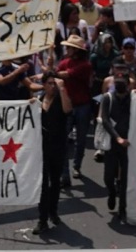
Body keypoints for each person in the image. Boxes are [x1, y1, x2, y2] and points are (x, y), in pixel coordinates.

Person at [34, 73, 72, 234]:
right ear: (43, 85)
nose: (52, 86)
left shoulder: (61, 97)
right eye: (49, 83)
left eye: (54, 84)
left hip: (57, 146)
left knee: (55, 182)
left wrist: (62, 88)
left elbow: (68, 109)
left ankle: (53, 212)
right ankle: (42, 220)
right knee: (43, 184)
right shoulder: (38, 100)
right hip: (41, 147)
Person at [54, 34, 93, 185]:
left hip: (83, 105)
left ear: (76, 50)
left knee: (81, 140)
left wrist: (52, 71)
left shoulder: (85, 65)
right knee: (63, 140)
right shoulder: (64, 62)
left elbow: (64, 74)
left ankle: (77, 166)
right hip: (68, 106)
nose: (67, 49)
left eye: (69, 47)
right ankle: (65, 174)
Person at [100, 68, 132, 222]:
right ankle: (111, 191)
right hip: (112, 144)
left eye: (123, 84)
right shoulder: (107, 98)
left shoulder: (134, 99)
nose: (120, 87)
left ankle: (122, 209)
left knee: (125, 178)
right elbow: (105, 120)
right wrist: (117, 137)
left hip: (128, 145)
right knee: (108, 176)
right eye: (117, 83)